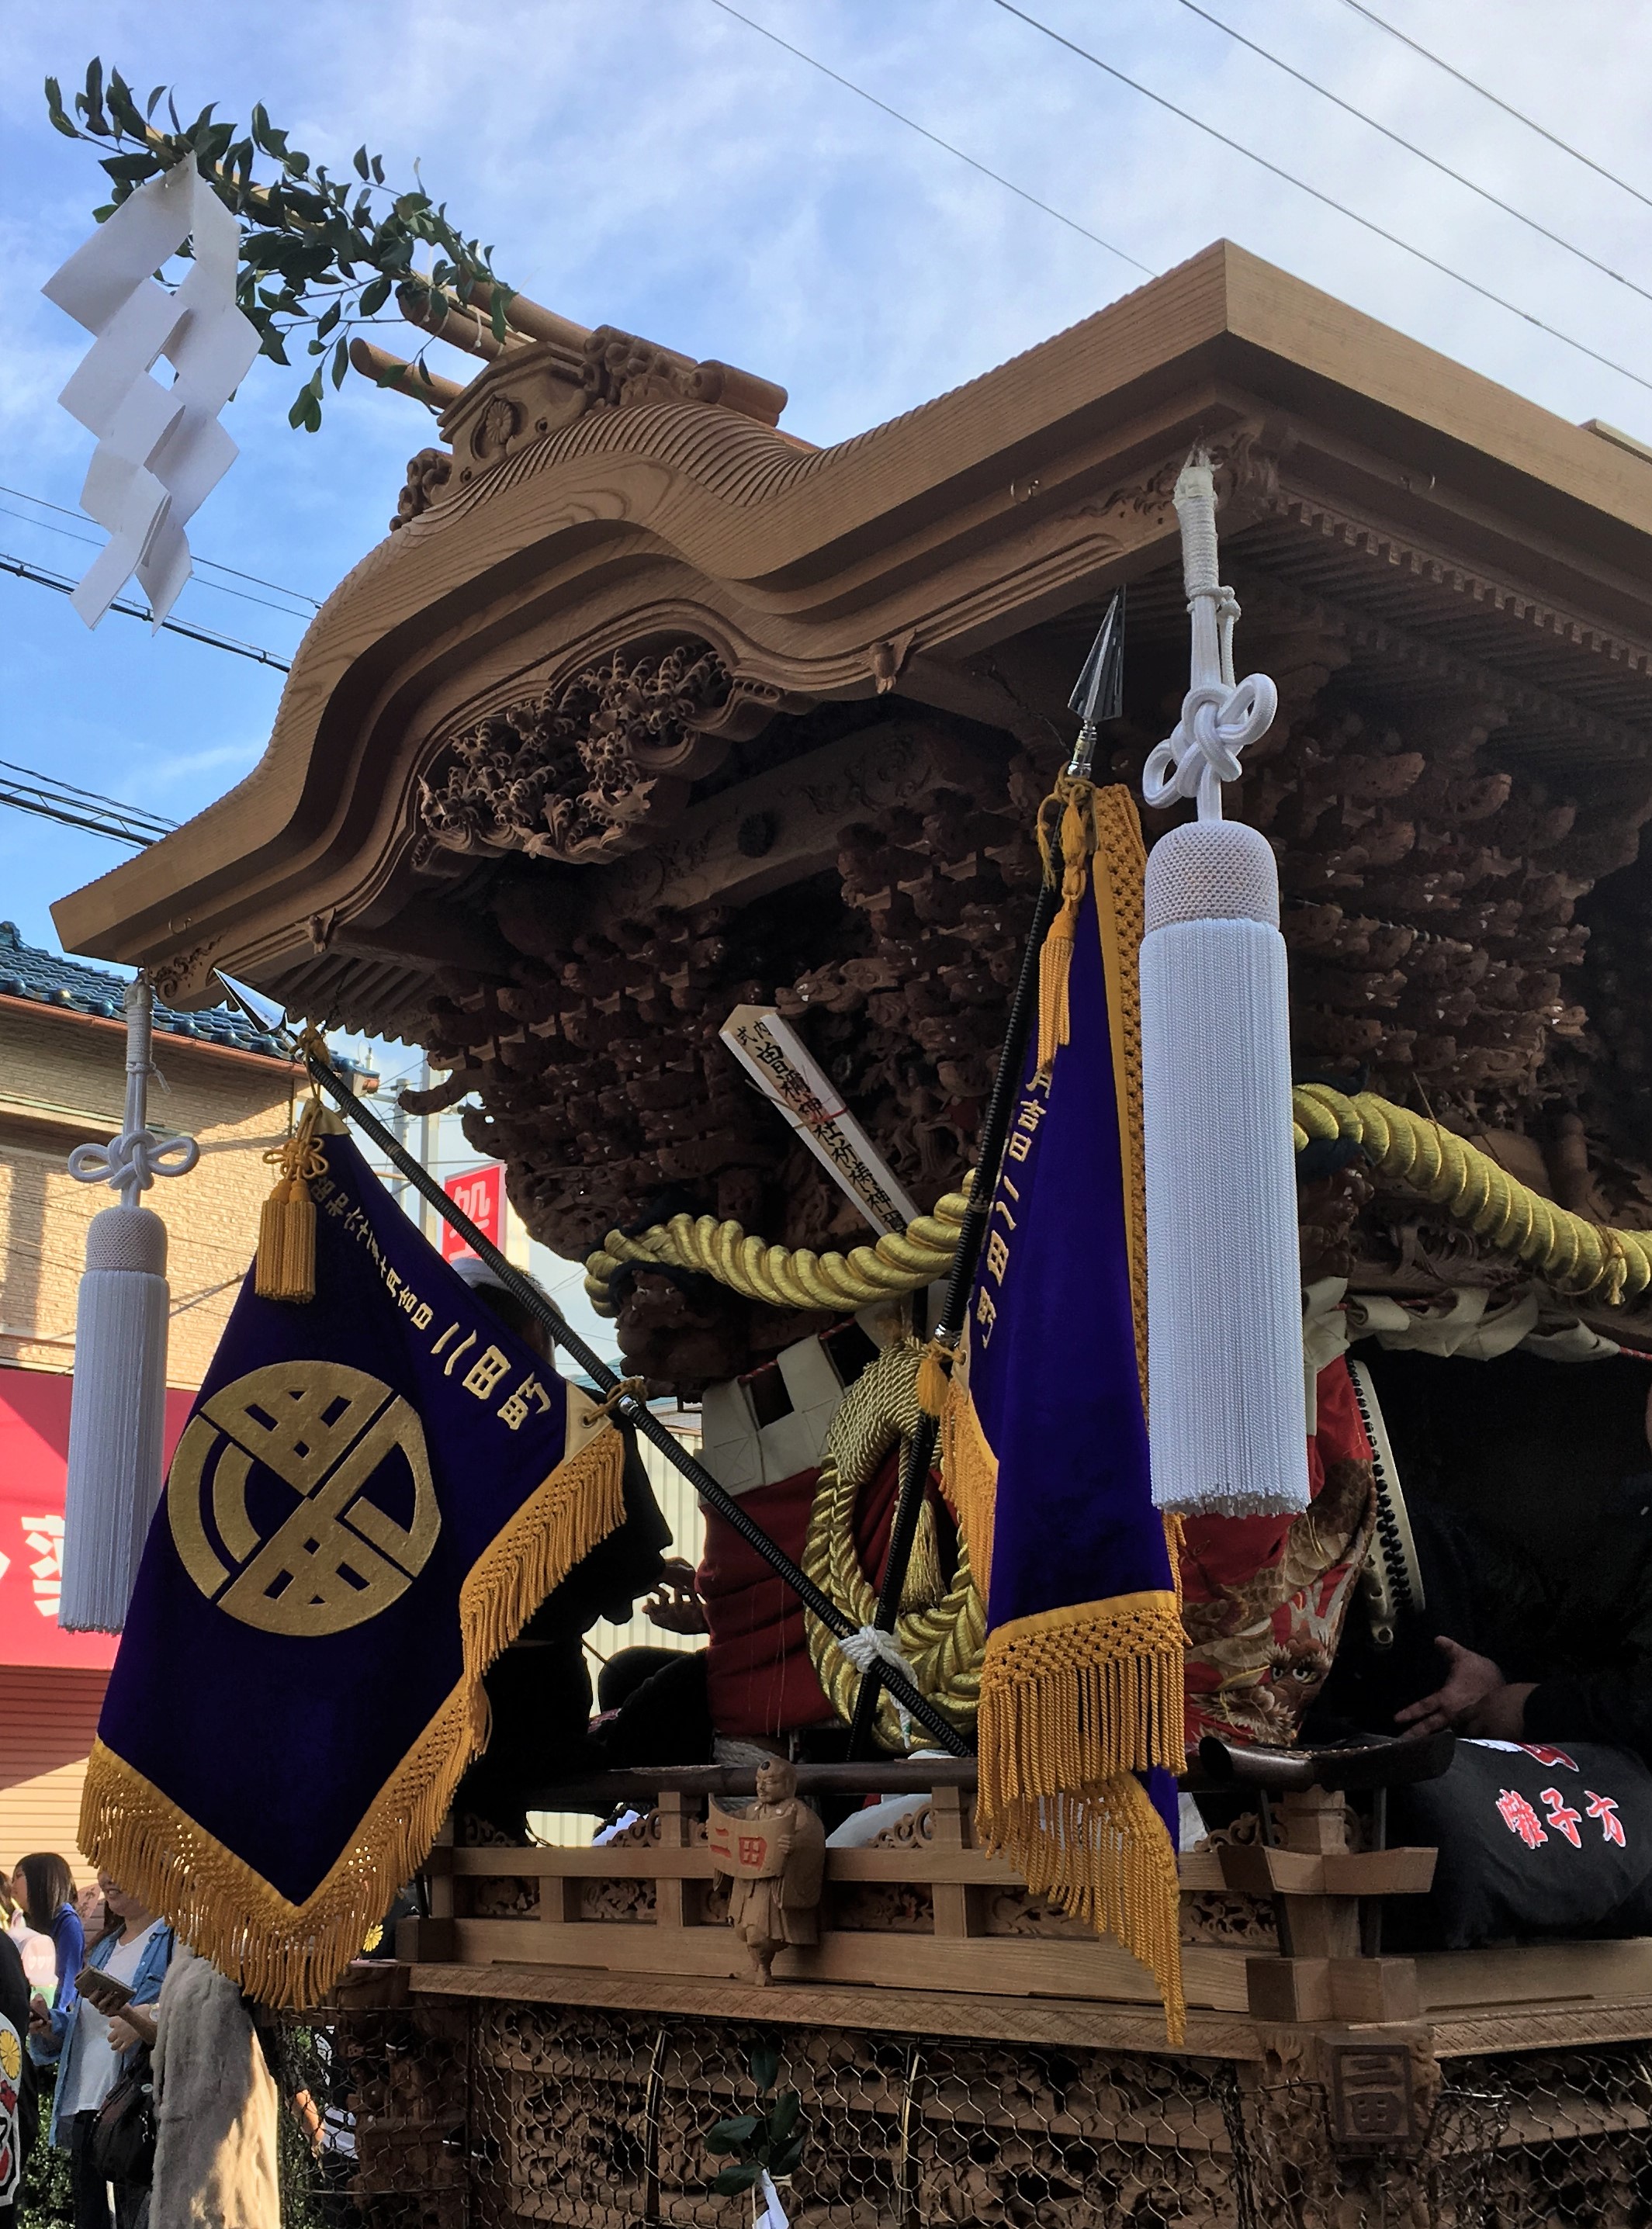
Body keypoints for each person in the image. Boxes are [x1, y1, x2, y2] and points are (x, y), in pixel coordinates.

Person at [31, 1874, 171, 2229]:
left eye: (121, 1866)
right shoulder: (106, 1945)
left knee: (137, 2219)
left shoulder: (175, 1941)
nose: (107, 1879)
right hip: (85, 2107)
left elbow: (193, 2014)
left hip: (134, 2113)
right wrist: (50, 2025)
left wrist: (147, 2016)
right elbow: (85, 2027)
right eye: (103, 1867)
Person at [109, 1945, 279, 2229]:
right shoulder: (188, 1956)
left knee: (227, 2212)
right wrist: (129, 2014)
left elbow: (275, 2052)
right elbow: (164, 2041)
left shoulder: (251, 1957)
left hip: (229, 2133)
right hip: (178, 2133)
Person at [15, 1856, 85, 2036]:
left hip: (51, 2024)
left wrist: (54, 2019)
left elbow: (68, 1977)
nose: (13, 1884)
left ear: (40, 1879)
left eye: (19, 1876)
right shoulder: (25, 1920)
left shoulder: (67, 1922)